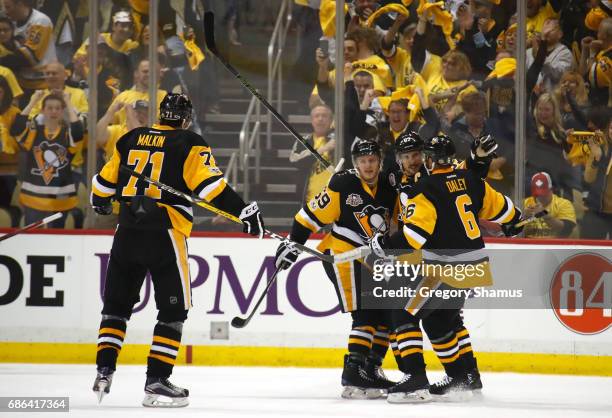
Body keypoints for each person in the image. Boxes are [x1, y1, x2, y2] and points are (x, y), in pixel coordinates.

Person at [90, 93, 266, 407]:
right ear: (185, 118)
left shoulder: (130, 138)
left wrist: (101, 202)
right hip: (165, 234)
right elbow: (212, 188)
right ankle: (156, 380)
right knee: (173, 311)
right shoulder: (189, 142)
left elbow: (102, 186)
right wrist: (244, 213)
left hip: (127, 232)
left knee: (116, 307)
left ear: (160, 114)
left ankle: (104, 370)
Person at [369, 134, 523, 400]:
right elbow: (510, 212)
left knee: (401, 311)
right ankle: (460, 376)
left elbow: (414, 237)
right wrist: (514, 223)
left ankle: (416, 378)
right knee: (439, 321)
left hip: (445, 267)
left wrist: (384, 244)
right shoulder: (472, 180)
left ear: (429, 159)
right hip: (474, 267)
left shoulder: (425, 188)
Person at [276, 139, 398, 399]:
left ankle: (370, 369)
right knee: (365, 312)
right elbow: (306, 218)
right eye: (363, 161)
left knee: (387, 315)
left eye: (372, 160)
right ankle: (353, 372)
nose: (368, 165)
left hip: (372, 259)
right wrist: (293, 245)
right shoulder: (342, 185)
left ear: (380, 161)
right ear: (356, 163)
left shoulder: (389, 184)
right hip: (343, 255)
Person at [11, 91, 83, 227]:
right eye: (49, 108)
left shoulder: (67, 133)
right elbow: (16, 129)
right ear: (43, 110)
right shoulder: (33, 131)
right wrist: (33, 101)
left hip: (60, 197)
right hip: (33, 197)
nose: (53, 111)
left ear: (62, 111)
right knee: (32, 239)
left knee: (56, 241)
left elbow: (78, 132)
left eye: (57, 108)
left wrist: (68, 101)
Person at [523, 172, 577, 238]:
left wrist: (544, 215)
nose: (540, 198)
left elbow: (566, 230)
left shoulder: (564, 204)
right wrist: (523, 218)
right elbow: (512, 232)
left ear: (551, 190)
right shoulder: (525, 203)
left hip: (554, 246)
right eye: (537, 195)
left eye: (543, 194)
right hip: (529, 246)